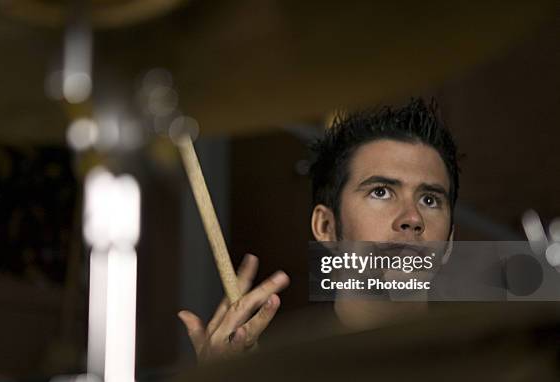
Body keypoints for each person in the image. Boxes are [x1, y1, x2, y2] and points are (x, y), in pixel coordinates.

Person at [177, 97, 460, 361]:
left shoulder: (486, 374)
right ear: (325, 226)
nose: (412, 217)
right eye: (381, 192)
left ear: (448, 242)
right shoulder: (281, 377)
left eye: (429, 199)